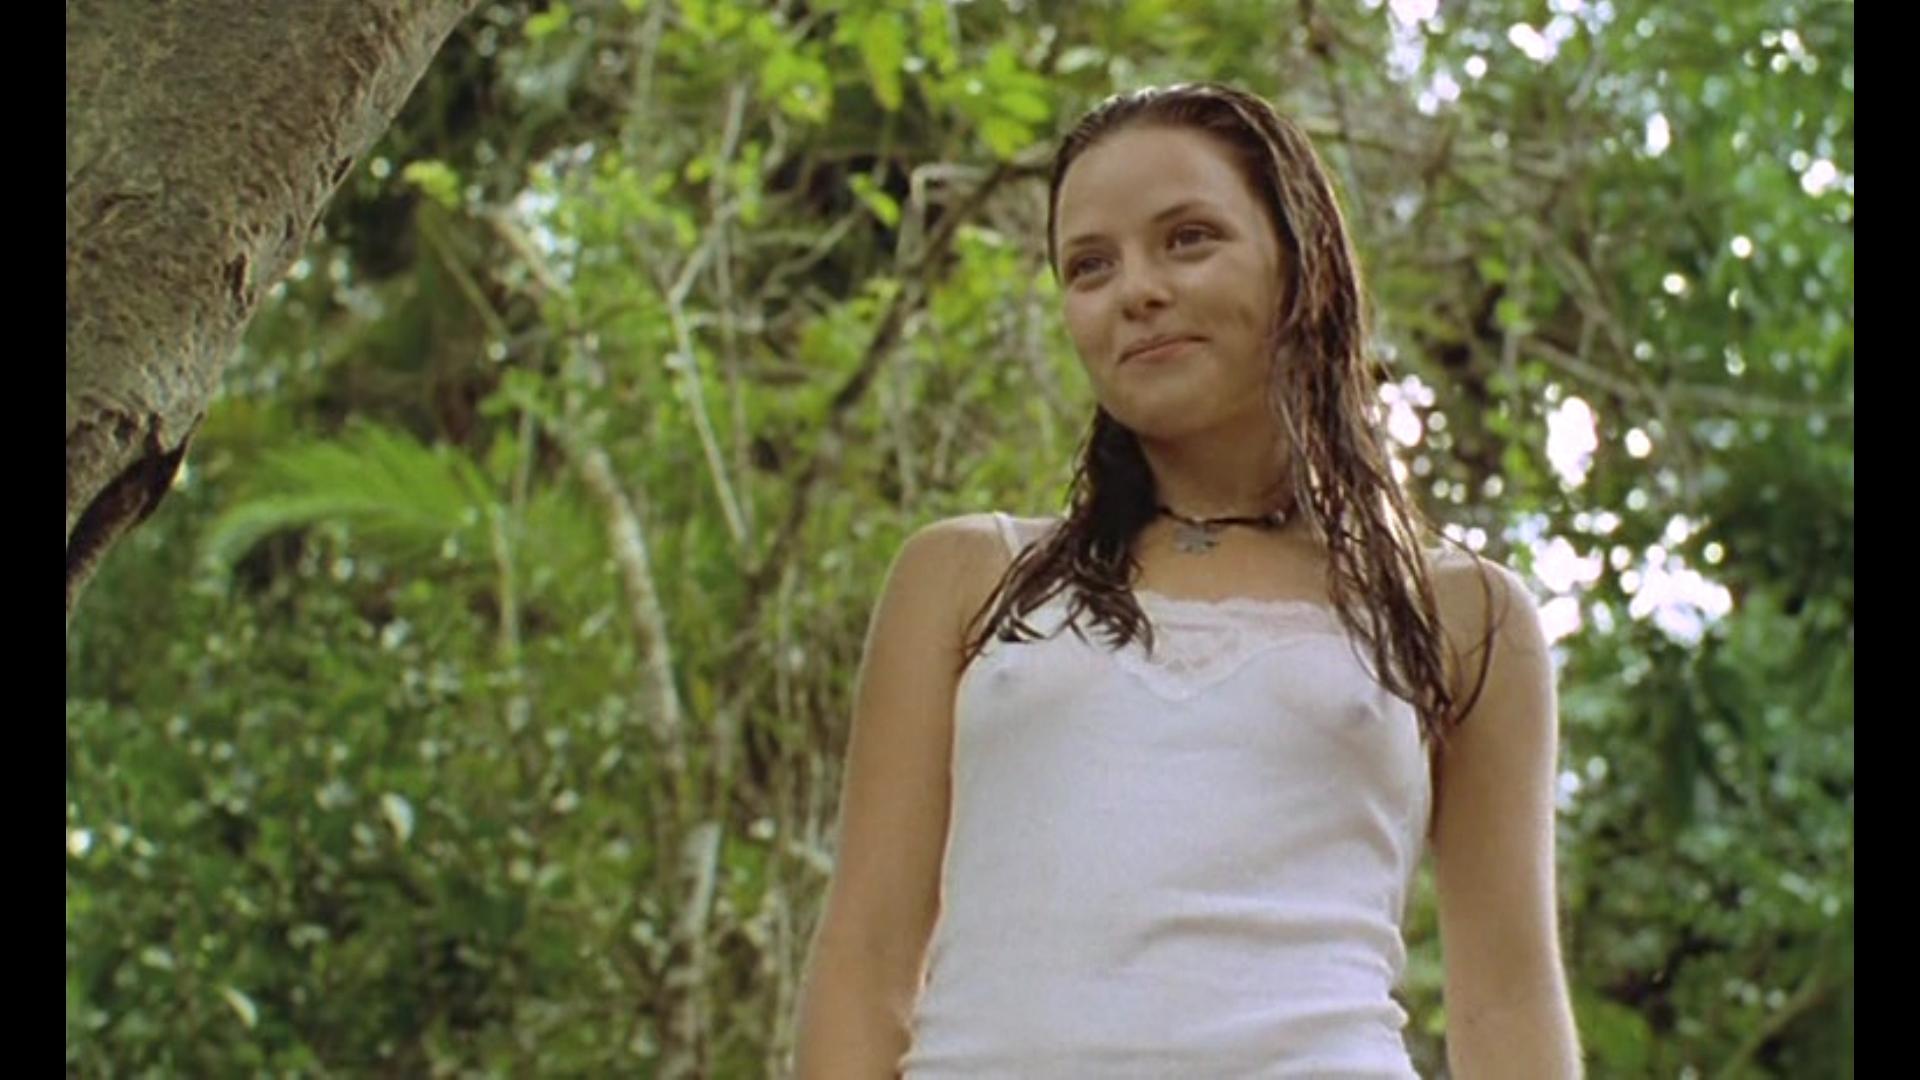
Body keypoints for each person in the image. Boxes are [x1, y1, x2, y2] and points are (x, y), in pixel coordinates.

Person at [791, 82, 1581, 1078]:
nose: (1137, 290)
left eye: (1188, 239)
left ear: (1303, 263)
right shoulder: (969, 579)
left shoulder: (1459, 614)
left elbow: (1508, 1001)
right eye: (1091, 265)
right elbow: (864, 962)